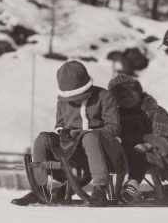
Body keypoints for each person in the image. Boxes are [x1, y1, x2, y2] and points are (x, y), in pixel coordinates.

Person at [11, 60, 123, 206]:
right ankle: (40, 188)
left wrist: (86, 133)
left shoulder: (104, 96)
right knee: (42, 138)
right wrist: (64, 133)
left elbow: (114, 127)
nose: (74, 102)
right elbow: (60, 125)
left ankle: (99, 189)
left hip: (103, 148)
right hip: (73, 148)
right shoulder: (62, 101)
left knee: (89, 138)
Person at [107, 73, 168, 203]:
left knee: (138, 151)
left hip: (147, 150)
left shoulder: (153, 110)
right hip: (121, 150)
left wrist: (150, 145)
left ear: (137, 91)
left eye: (129, 93)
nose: (125, 98)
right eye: (120, 96)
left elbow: (163, 133)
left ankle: (132, 184)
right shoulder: (114, 114)